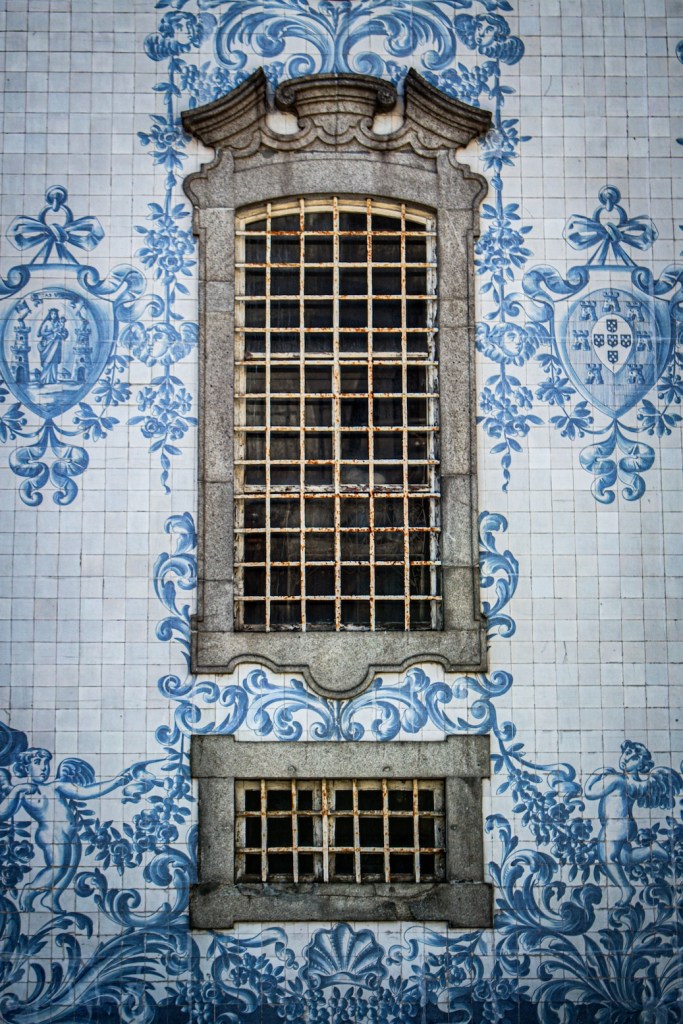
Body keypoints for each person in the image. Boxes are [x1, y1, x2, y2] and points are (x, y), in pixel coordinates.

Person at [0, 747, 157, 912]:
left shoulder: (57, 785)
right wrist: (16, 790)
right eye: (37, 762)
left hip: (70, 834)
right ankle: (29, 892)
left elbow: (86, 792)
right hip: (51, 835)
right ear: (26, 768)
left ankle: (51, 898)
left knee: (70, 868)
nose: (44, 767)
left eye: (46, 762)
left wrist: (116, 782)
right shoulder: (24, 791)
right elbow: (3, 812)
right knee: (57, 869)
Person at [585, 740, 682, 905]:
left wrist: (595, 775)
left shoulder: (616, 779)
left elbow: (589, 793)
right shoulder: (638, 784)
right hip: (628, 826)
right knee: (626, 856)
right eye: (625, 753)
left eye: (632, 757)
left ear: (641, 764)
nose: (625, 758)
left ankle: (626, 889)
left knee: (607, 857)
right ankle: (653, 850)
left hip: (615, 824)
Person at [36, 307, 68, 385]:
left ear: (57, 315)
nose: (53, 315)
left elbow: (63, 331)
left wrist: (62, 331)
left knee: (54, 361)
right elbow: (42, 333)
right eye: (52, 313)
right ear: (50, 314)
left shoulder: (58, 323)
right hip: (47, 344)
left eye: (55, 314)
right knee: (47, 361)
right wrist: (52, 332)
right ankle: (43, 379)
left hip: (56, 344)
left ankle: (53, 379)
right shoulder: (47, 322)